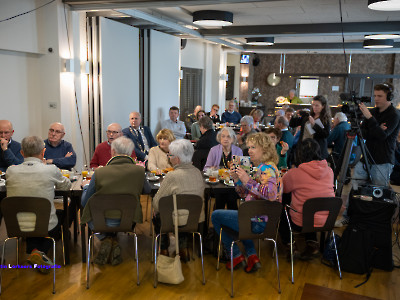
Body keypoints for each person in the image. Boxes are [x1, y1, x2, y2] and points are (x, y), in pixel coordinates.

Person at [212, 132, 282, 273]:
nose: (249, 150)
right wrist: (237, 179)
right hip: (259, 219)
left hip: (258, 222)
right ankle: (252, 256)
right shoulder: (266, 167)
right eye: (248, 147)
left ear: (265, 149)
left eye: (253, 147)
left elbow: (271, 195)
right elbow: (244, 194)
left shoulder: (266, 169)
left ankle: (236, 255)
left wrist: (246, 180)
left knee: (216, 216)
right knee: (237, 217)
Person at [336, 83, 400, 227]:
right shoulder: (374, 112)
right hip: (365, 157)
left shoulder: (394, 115)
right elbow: (362, 132)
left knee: (377, 194)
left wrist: (370, 119)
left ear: (389, 97)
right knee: (356, 189)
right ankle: (348, 217)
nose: (376, 99)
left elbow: (382, 136)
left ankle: (373, 223)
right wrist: (376, 127)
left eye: (380, 96)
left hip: (382, 161)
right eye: (375, 95)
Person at [81, 136, 150, 265]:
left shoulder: (100, 173)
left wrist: (85, 188)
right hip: (128, 220)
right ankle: (112, 240)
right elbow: (146, 190)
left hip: (100, 221)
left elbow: (86, 202)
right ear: (130, 153)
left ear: (112, 152)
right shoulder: (139, 171)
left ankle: (106, 238)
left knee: (88, 204)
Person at [6, 136, 71, 273]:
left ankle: (35, 251)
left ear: (22, 153)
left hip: (16, 225)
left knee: (32, 221)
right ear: (43, 152)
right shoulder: (51, 169)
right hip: (44, 224)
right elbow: (66, 186)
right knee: (60, 215)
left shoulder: (10, 171)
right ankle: (40, 252)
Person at [279, 138, 334, 260]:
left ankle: (290, 244)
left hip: (301, 221)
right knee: (311, 202)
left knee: (281, 206)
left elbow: (283, 189)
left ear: (299, 154)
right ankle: (312, 242)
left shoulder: (295, 173)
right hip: (327, 219)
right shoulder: (329, 170)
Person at [152, 139, 205, 261]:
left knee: (160, 214)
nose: (169, 157)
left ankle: (164, 249)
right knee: (181, 211)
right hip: (194, 220)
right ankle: (182, 248)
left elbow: (156, 203)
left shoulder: (172, 176)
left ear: (177, 159)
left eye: (170, 155)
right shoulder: (198, 173)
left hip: (175, 221)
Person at [204, 127, 242, 210]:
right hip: (218, 183)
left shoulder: (238, 151)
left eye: (228, 137)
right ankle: (218, 219)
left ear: (233, 139)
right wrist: (212, 169)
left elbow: (241, 169)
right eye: (223, 136)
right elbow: (206, 168)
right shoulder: (213, 150)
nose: (225, 139)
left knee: (231, 198)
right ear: (219, 138)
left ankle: (232, 220)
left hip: (233, 184)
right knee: (220, 197)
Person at [289, 95, 331, 159]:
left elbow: (325, 134)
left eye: (317, 105)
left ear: (323, 106)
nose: (314, 107)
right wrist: (295, 114)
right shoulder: (308, 116)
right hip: (304, 147)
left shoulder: (325, 119)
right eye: (313, 105)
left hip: (317, 150)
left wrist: (314, 125)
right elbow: (292, 124)